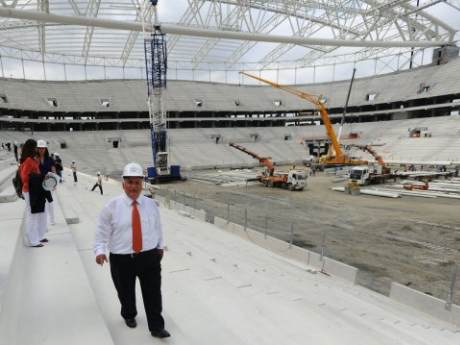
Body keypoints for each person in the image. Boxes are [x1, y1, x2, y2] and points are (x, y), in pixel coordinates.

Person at [94, 163, 170, 338]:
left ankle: (157, 327)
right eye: (130, 182)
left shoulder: (152, 205)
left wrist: (160, 246)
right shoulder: (111, 207)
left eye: (137, 182)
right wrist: (100, 251)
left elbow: (157, 227)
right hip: (122, 259)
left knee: (153, 293)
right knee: (125, 292)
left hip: (149, 257)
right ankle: (129, 315)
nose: (134, 186)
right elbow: (101, 232)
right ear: (123, 184)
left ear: (142, 184)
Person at [20, 139, 47, 247]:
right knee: (32, 214)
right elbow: (24, 177)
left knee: (36, 214)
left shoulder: (32, 160)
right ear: (31, 148)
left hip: (34, 190)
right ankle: (33, 240)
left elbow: (36, 173)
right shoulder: (28, 160)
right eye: (35, 147)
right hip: (30, 190)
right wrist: (38, 178)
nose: (37, 149)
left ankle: (37, 237)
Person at [37, 139, 56, 227]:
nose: (41, 150)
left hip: (48, 184)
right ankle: (43, 221)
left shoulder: (50, 159)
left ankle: (52, 219)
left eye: (43, 148)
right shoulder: (35, 159)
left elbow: (53, 170)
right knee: (41, 203)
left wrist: (54, 183)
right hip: (38, 183)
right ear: (37, 148)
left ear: (45, 149)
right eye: (40, 148)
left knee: (50, 202)